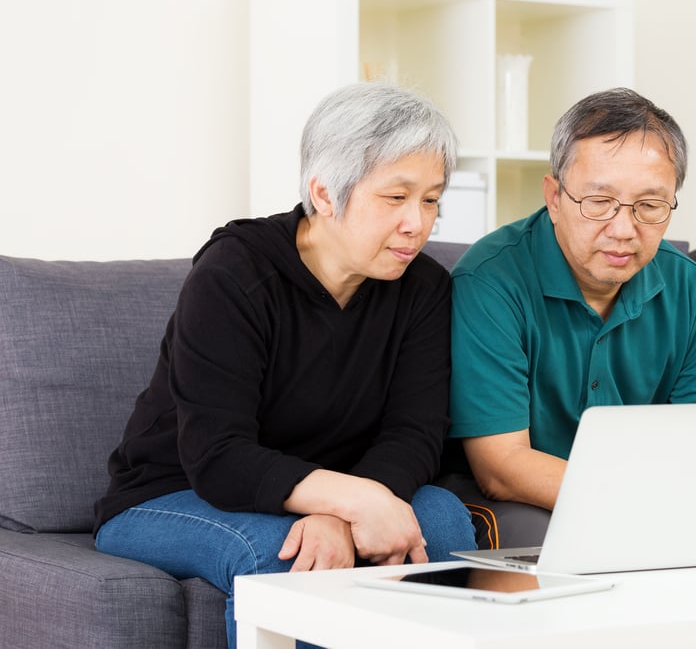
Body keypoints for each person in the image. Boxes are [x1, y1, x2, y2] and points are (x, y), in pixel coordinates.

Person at [94, 81, 477, 647]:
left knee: (442, 518)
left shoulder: (423, 287)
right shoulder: (236, 274)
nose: (418, 224)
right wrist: (356, 502)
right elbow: (218, 457)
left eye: (431, 199)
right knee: (289, 556)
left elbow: (414, 430)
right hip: (175, 492)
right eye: (395, 198)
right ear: (324, 193)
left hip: (328, 489)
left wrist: (340, 509)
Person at [442, 87, 696, 548]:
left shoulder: (689, 288)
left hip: (647, 493)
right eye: (598, 202)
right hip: (519, 497)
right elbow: (501, 467)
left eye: (649, 206)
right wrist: (644, 502)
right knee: (547, 541)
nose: (623, 229)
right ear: (555, 196)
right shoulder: (489, 281)